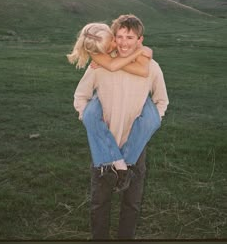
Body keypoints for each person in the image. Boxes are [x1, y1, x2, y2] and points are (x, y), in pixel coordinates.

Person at [72, 15, 169, 239]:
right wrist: (90, 121)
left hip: (135, 146)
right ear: (113, 38)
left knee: (132, 202)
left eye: (130, 37)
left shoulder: (152, 68)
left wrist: (150, 123)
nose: (124, 42)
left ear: (140, 40)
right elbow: (81, 96)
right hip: (104, 146)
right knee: (100, 202)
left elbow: (161, 100)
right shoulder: (100, 64)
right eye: (120, 36)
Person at [67, 22, 158, 192]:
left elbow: (144, 70)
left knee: (151, 119)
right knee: (90, 115)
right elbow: (114, 65)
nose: (114, 47)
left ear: (111, 33)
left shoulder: (108, 39)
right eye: (108, 48)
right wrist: (140, 50)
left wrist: (142, 52)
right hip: (101, 100)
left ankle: (121, 165)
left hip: (129, 108)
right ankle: (119, 166)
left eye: (113, 42)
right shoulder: (98, 54)